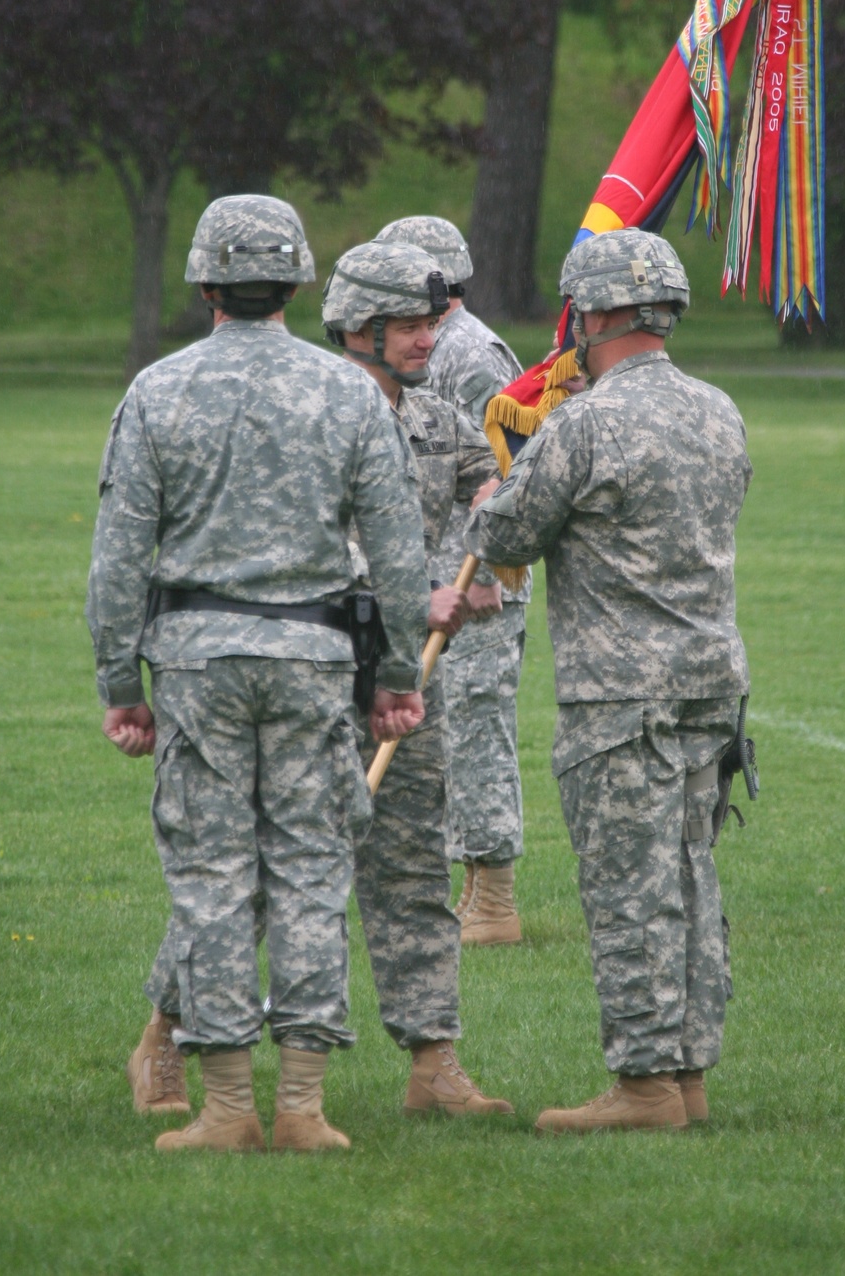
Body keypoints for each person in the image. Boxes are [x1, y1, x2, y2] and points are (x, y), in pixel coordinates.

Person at [88, 195, 430, 1153]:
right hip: (317, 665)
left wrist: (122, 684)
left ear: (204, 284)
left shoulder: (157, 391)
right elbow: (399, 556)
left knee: (211, 875)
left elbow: (117, 560)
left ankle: (229, 1107)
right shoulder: (349, 392)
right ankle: (305, 1109)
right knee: (314, 870)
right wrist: (396, 673)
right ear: (297, 282)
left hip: (198, 668)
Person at [464, 228, 752, 1134]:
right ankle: (688, 1074)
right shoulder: (720, 409)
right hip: (711, 684)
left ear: (590, 317)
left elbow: (509, 538)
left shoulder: (585, 422)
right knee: (690, 878)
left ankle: (643, 1086)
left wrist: (486, 505)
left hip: (620, 695)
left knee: (629, 887)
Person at [321, 240, 514, 1117]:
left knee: (410, 876)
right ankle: (169, 1039)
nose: (425, 338)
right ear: (356, 328)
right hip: (316, 678)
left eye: (431, 320)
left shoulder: (438, 418)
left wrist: (494, 513)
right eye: (405, 323)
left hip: (405, 686)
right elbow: (303, 547)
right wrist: (411, 597)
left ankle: (434, 1065)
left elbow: (490, 482)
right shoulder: (310, 412)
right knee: (269, 871)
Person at [374, 216, 530, 945]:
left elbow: (508, 470)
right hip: (432, 581)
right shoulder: (428, 346)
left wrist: (489, 574)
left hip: (477, 584)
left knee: (474, 730)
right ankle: (457, 887)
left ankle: (492, 899)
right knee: (434, 732)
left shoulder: (470, 354)